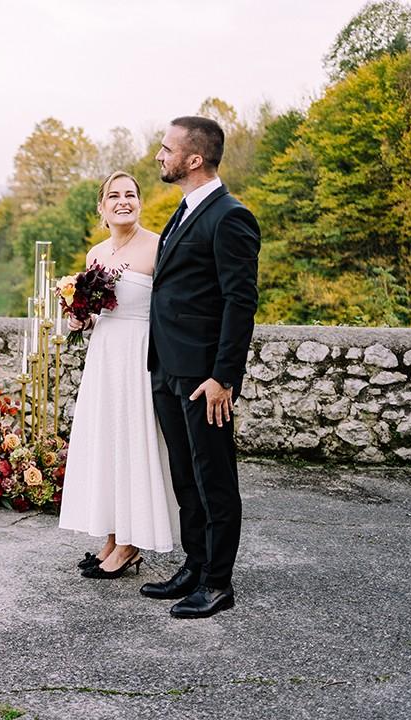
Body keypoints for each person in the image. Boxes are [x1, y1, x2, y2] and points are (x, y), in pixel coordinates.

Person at [143, 116, 260, 619]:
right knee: (185, 475)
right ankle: (194, 565)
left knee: (214, 477)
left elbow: (240, 302)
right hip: (168, 367)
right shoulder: (185, 209)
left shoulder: (230, 216)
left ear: (193, 159)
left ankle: (217, 582)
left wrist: (223, 378)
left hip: (204, 377)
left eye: (166, 148)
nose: (159, 155)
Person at [59, 171, 180, 579]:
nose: (123, 201)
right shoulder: (95, 253)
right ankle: (112, 538)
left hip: (139, 356)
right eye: (114, 195)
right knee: (108, 443)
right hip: (105, 357)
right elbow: (101, 312)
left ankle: (130, 545)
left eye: (130, 194)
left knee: (133, 442)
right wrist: (81, 320)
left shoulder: (158, 247)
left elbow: (170, 308)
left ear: (140, 203)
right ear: (102, 207)